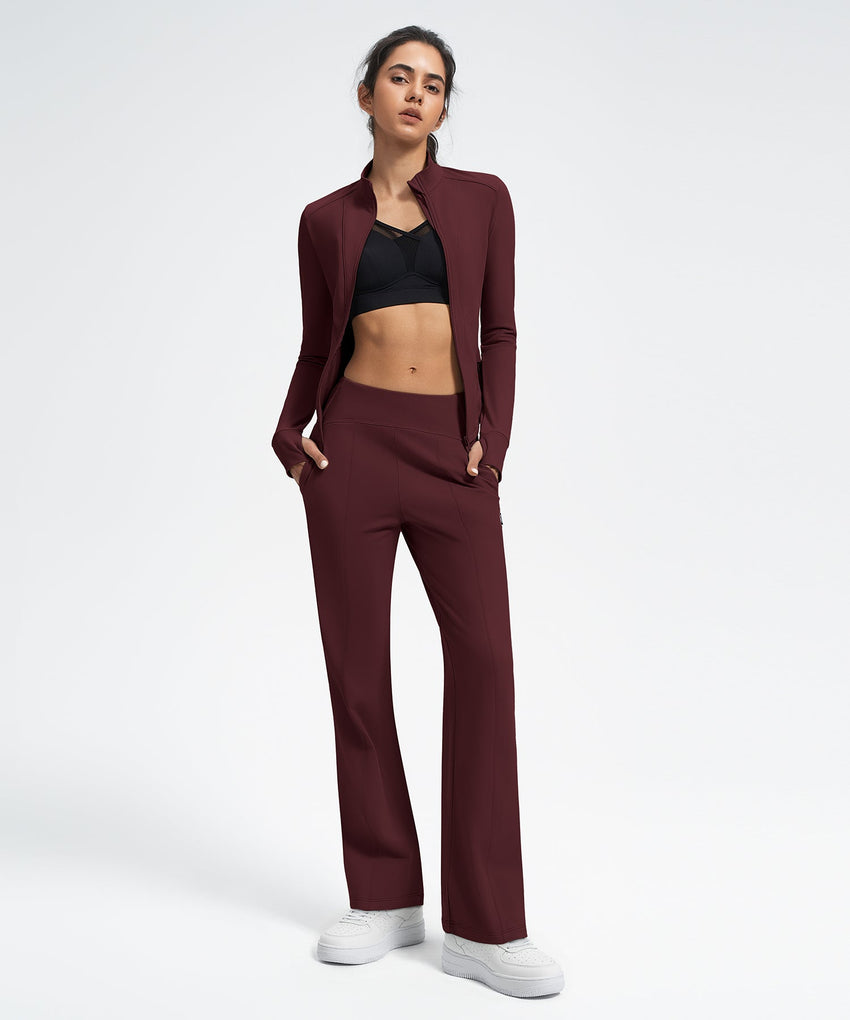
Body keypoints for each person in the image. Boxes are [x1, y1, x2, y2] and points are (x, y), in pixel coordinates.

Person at [271, 26, 565, 999]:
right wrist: (290, 431)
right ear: (366, 96)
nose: (415, 94)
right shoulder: (323, 219)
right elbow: (318, 342)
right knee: (357, 671)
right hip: (351, 447)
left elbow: (500, 329)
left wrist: (494, 441)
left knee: (484, 665)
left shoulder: (483, 200)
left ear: (443, 107)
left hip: (450, 454)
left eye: (433, 85)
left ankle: (486, 927)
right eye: (398, 77)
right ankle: (384, 897)